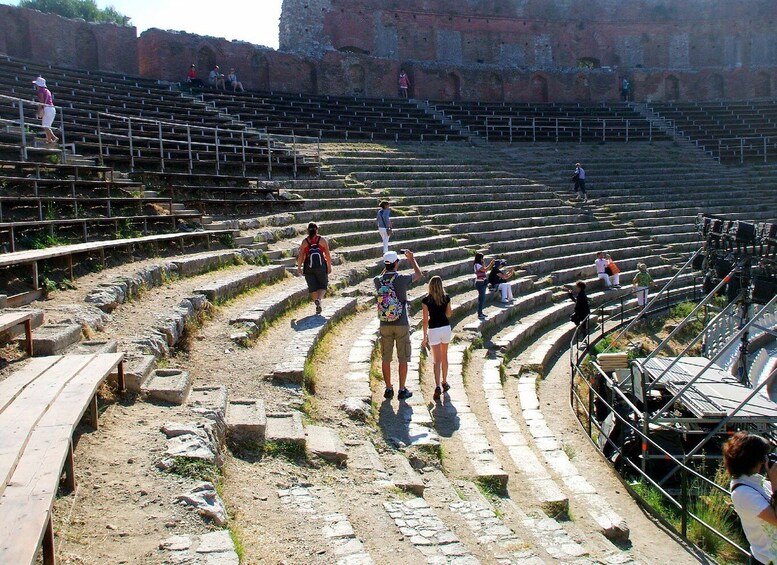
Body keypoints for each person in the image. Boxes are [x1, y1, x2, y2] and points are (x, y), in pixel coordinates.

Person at [375, 249, 423, 401]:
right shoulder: (402, 279)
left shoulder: (378, 280)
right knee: (403, 358)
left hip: (384, 323)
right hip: (401, 322)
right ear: (396, 263)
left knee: (386, 357)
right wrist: (411, 259)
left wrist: (388, 266)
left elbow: (383, 275)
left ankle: (388, 388)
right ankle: (402, 389)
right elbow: (418, 274)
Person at [723, 431, 777, 565]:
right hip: (768, 560)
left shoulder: (759, 482)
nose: (766, 460)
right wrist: (776, 483)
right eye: (763, 457)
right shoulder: (743, 492)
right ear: (752, 460)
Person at [421, 276, 453, 402]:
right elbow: (449, 314)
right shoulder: (446, 298)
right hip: (445, 328)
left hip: (433, 329)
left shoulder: (426, 300)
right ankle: (444, 382)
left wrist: (424, 337)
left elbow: (424, 320)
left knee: (436, 360)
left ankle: (437, 386)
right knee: (445, 356)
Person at [295, 223, 332, 315]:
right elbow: (327, 254)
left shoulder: (305, 242)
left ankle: (317, 302)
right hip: (321, 266)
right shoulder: (322, 240)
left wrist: (299, 267)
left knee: (313, 288)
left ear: (307, 231)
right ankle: (319, 300)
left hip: (308, 267)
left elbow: (301, 256)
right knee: (323, 286)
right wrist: (329, 266)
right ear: (317, 230)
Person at [32, 77, 57, 144]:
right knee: (47, 126)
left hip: (47, 108)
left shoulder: (41, 91)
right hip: (52, 108)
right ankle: (49, 140)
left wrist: (38, 112)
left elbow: (41, 102)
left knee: (45, 126)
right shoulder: (47, 90)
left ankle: (54, 137)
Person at [473, 252, 496, 320]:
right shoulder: (477, 265)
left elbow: (484, 270)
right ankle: (480, 314)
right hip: (480, 283)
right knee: (482, 299)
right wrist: (491, 264)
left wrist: (484, 263)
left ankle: (480, 312)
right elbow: (485, 270)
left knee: (482, 298)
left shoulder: (479, 265)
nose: (483, 259)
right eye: (482, 258)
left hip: (482, 282)